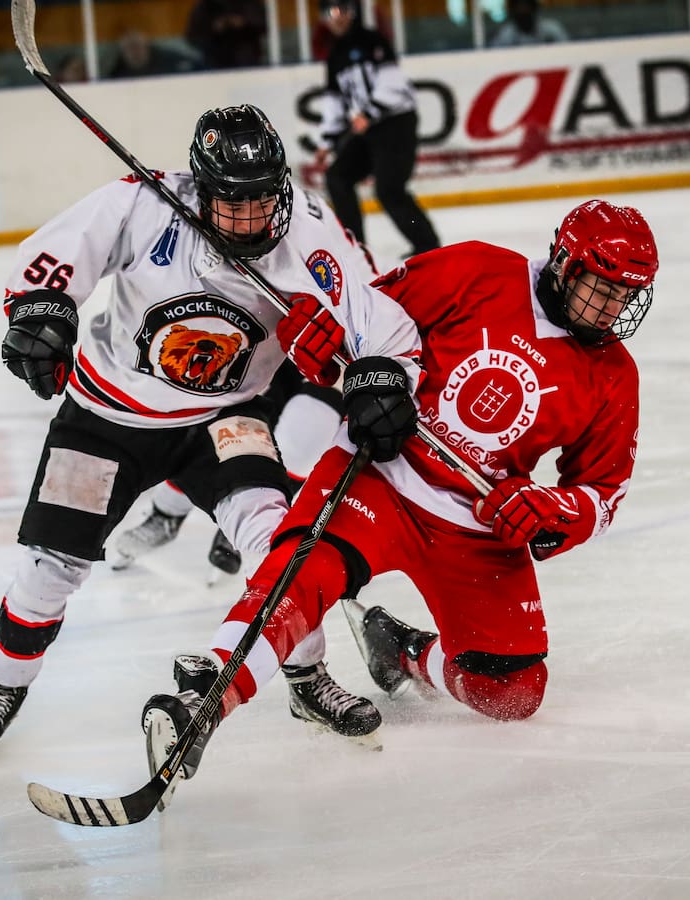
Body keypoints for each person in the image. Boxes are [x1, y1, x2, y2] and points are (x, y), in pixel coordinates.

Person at [139, 199, 659, 796]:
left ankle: (403, 651)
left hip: (474, 528)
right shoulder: (477, 271)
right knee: (298, 578)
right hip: (380, 471)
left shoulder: (613, 373)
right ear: (565, 265)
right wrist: (327, 345)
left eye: (628, 295)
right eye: (604, 288)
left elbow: (603, 492)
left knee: (513, 692)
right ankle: (203, 700)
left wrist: (551, 510)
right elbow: (368, 320)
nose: (615, 307)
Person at [0, 104, 423, 760]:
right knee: (50, 567)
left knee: (279, 544)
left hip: (226, 419)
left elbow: (379, 316)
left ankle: (306, 677)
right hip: (106, 418)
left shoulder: (311, 230)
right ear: (200, 191)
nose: (252, 219)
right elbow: (56, 256)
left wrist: (380, 375)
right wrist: (41, 314)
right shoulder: (144, 202)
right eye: (234, 204)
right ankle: (3, 685)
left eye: (264, 200)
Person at [109, 360, 346, 576]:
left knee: (308, 434)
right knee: (221, 412)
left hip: (338, 357)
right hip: (276, 345)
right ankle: (167, 514)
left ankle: (249, 511)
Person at [314, 0, 440, 259]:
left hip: (396, 122)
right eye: (330, 13)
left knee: (389, 188)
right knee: (337, 177)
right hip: (369, 128)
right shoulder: (334, 55)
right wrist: (326, 141)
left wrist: (370, 111)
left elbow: (393, 83)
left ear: (352, 12)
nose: (337, 18)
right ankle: (355, 248)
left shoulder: (372, 40)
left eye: (342, 10)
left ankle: (428, 246)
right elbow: (334, 101)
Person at [185, 0, 267, 70]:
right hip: (214, 63)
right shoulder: (205, 6)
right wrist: (213, 27)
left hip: (247, 62)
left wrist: (245, 23)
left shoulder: (248, 3)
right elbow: (193, 36)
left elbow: (265, 26)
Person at [107, 30, 201, 78]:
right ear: (123, 52)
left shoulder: (167, 60)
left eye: (137, 47)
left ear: (146, 47)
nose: (135, 52)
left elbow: (194, 64)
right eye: (129, 48)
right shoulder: (117, 72)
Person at [489, 0, 569, 47]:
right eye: (519, 8)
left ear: (534, 8)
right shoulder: (506, 34)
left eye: (526, 7)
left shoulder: (551, 29)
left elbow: (567, 47)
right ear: (513, 11)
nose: (523, 11)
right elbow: (495, 54)